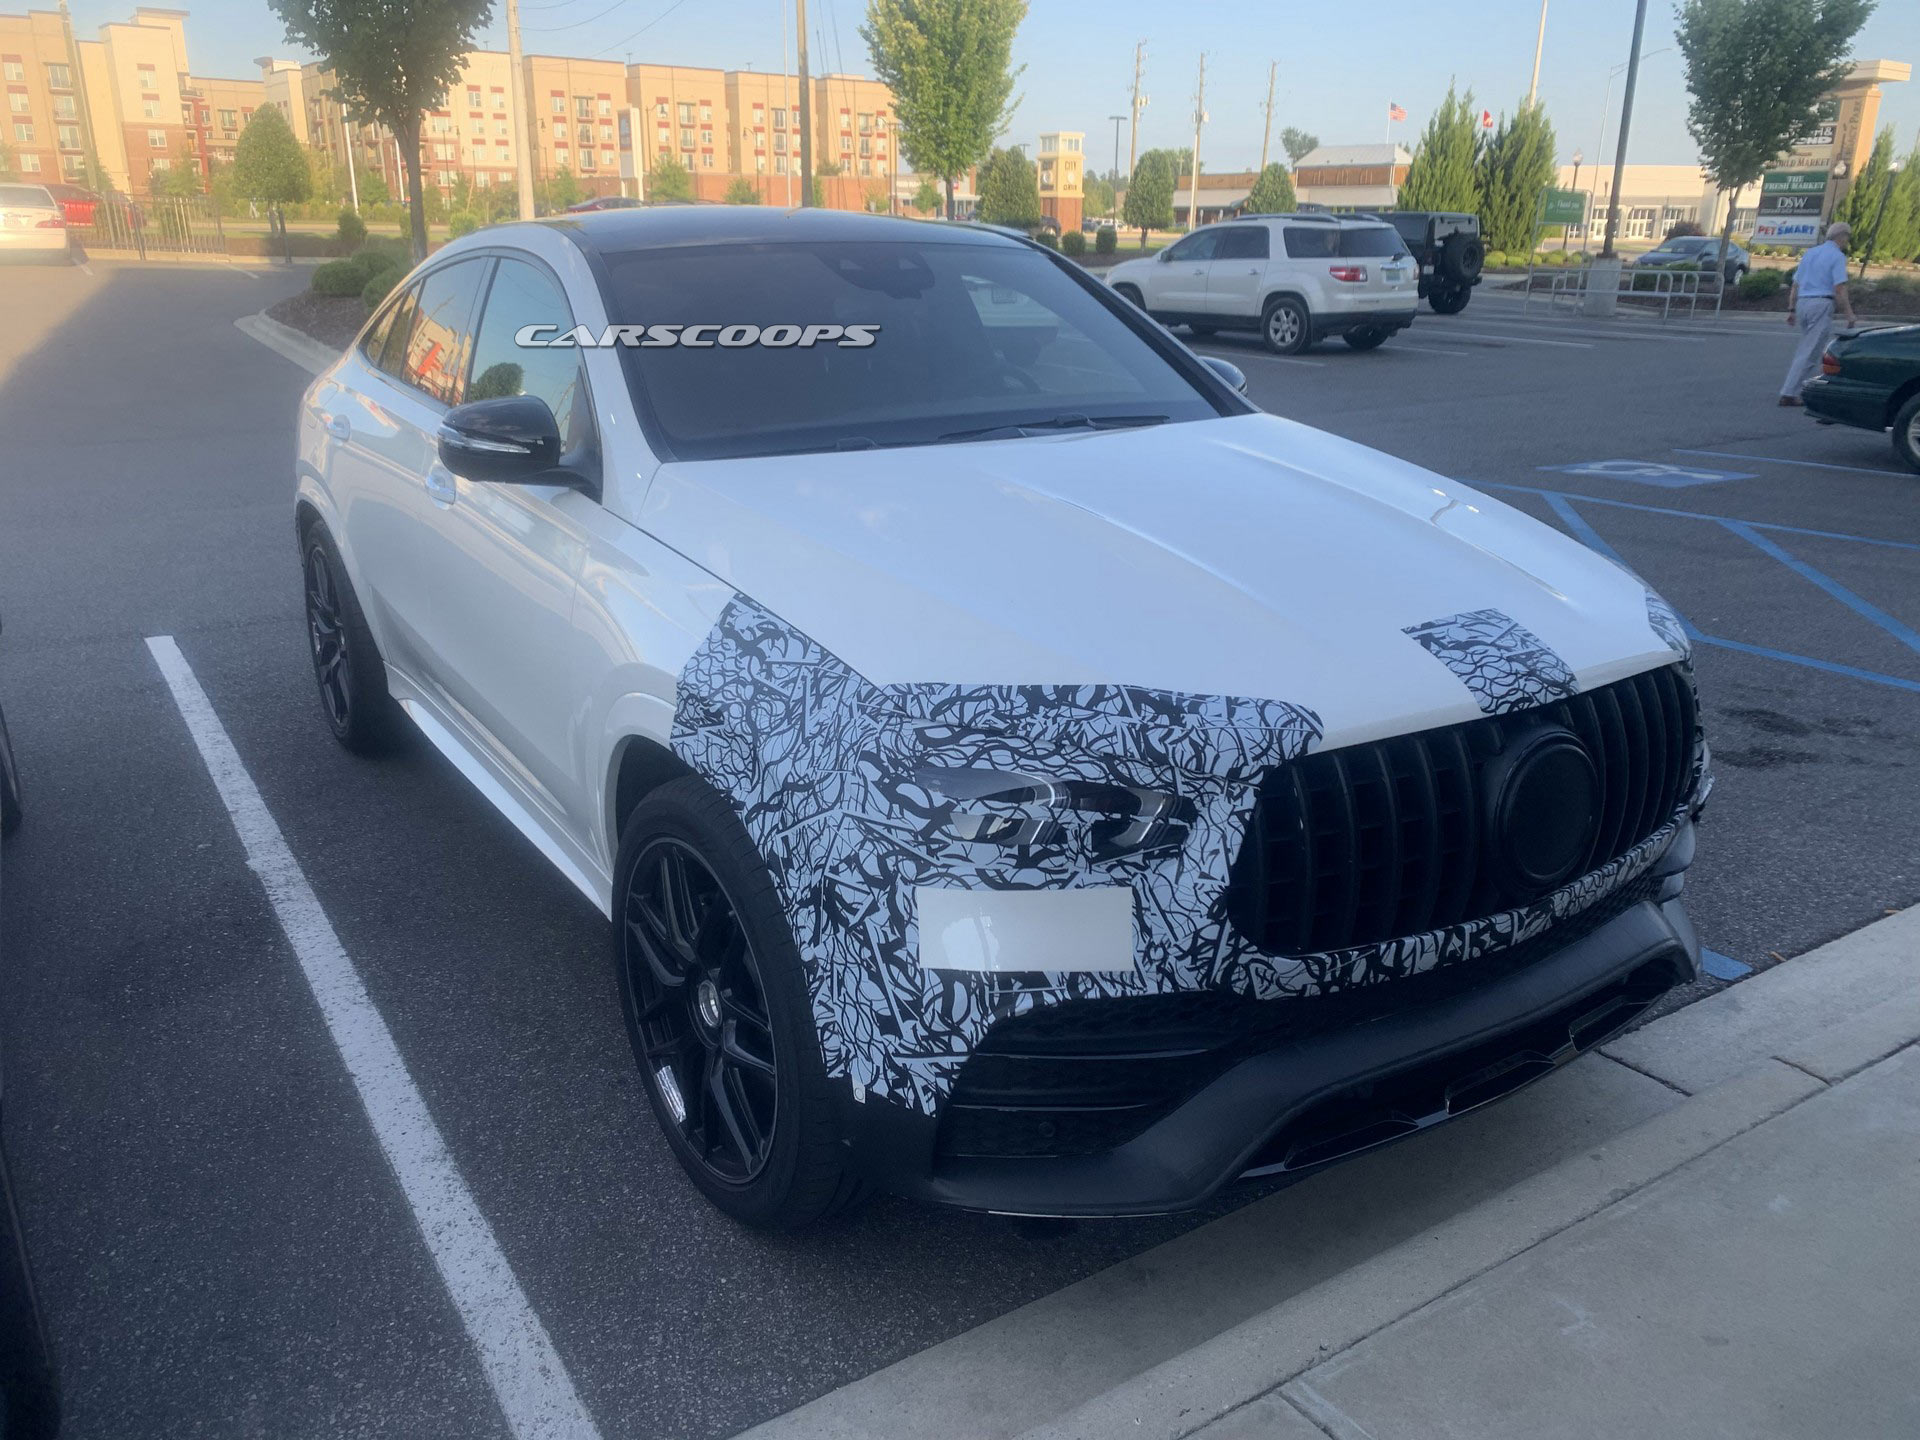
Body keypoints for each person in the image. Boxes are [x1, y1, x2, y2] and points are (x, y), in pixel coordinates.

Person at [1778, 221, 1857, 407]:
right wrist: (1849, 314)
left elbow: (1795, 283)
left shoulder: (1811, 253)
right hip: (1821, 303)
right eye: (1847, 238)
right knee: (1810, 351)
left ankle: (1799, 388)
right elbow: (1839, 287)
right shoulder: (1837, 257)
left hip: (1803, 303)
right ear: (1842, 237)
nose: (1846, 242)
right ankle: (1789, 392)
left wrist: (1791, 309)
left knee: (1807, 347)